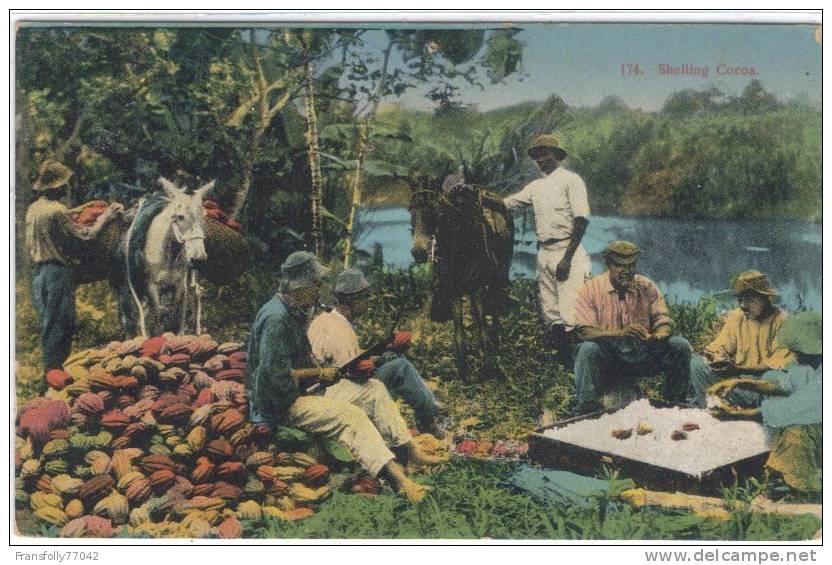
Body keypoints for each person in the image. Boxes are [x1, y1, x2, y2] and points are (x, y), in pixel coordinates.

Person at [244, 252, 436, 503]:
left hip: (298, 391)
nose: (319, 289)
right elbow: (273, 375)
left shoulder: (291, 311)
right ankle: (401, 482)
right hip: (278, 404)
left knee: (374, 389)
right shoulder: (277, 319)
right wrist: (319, 373)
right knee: (351, 416)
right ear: (299, 285)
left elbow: (295, 363)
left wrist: (322, 371)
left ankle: (410, 451)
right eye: (316, 283)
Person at [307, 268, 446, 438]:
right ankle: (429, 420)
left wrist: (388, 349)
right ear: (351, 299)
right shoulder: (339, 330)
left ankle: (427, 416)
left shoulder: (324, 319)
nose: (368, 301)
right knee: (399, 367)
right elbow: (352, 374)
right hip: (336, 398)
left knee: (394, 358)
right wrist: (382, 358)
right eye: (364, 297)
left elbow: (348, 361)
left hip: (327, 392)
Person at [708, 311, 821, 493]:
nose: (793, 354)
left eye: (796, 350)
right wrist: (739, 382)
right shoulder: (809, 365)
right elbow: (785, 384)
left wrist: (736, 415)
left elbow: (788, 410)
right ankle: (774, 471)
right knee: (772, 378)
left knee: (796, 431)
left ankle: (795, 485)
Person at [572, 240, 691, 413]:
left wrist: (657, 336)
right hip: (610, 359)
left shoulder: (646, 286)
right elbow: (584, 332)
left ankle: (674, 404)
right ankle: (587, 408)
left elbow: (664, 321)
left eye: (630, 266)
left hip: (642, 354)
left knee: (679, 345)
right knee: (586, 349)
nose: (626, 272)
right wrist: (619, 334)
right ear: (609, 264)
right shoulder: (590, 290)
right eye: (620, 266)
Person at [25, 160, 121, 372]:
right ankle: (55, 375)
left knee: (49, 324)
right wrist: (106, 216)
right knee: (62, 325)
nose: (67, 187)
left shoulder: (34, 208)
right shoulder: (57, 211)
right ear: (57, 187)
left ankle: (51, 373)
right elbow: (87, 236)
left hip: (38, 274)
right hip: (57, 272)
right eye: (64, 184)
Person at [503, 134, 591, 357]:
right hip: (544, 251)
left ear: (556, 156)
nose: (541, 159)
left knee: (572, 310)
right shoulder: (536, 187)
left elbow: (581, 220)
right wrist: (479, 196)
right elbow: (508, 204)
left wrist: (567, 259)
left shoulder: (571, 180)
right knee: (551, 310)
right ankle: (562, 361)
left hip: (566, 250)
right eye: (537, 156)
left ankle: (579, 363)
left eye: (545, 154)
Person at [689, 270, 795, 407]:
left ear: (764, 297)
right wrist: (713, 356)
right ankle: (714, 408)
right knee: (698, 365)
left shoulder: (784, 322)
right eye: (740, 299)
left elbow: (775, 367)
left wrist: (738, 369)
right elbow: (719, 347)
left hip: (763, 387)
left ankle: (750, 411)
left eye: (749, 299)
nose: (743, 305)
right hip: (737, 383)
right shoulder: (736, 317)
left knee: (775, 379)